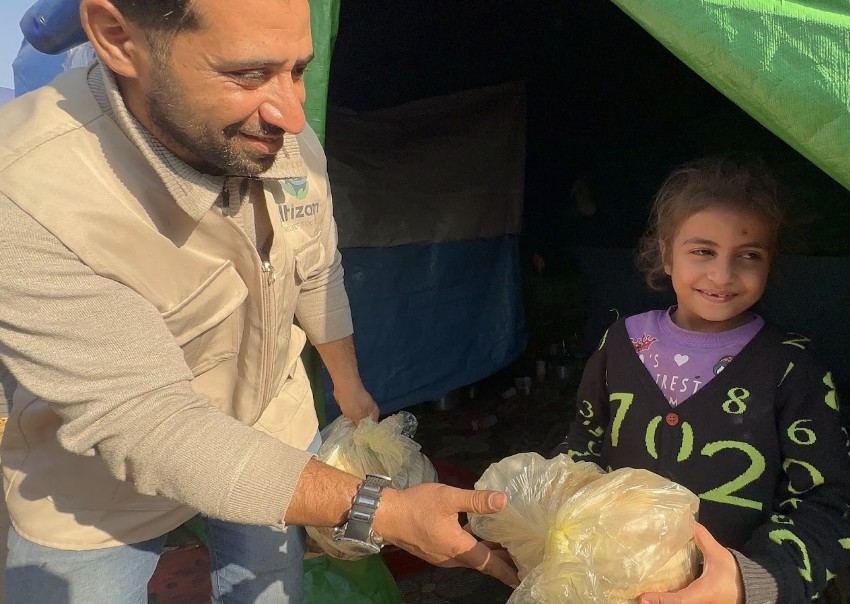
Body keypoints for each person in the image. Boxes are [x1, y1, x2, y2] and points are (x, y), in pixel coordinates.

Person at [0, 0, 518, 601]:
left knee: (269, 592)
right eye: (248, 74)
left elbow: (316, 269)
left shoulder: (281, 138)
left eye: (298, 69)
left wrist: (349, 387)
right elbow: (149, 424)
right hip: (96, 488)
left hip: (269, 430)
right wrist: (383, 509)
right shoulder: (26, 194)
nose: (293, 116)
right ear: (119, 38)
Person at [553, 157, 850, 603]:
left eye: (749, 255)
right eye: (702, 251)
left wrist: (747, 581)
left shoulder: (793, 366)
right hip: (612, 585)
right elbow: (582, 446)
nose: (722, 275)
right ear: (666, 254)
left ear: (770, 263)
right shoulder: (620, 343)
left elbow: (828, 504)